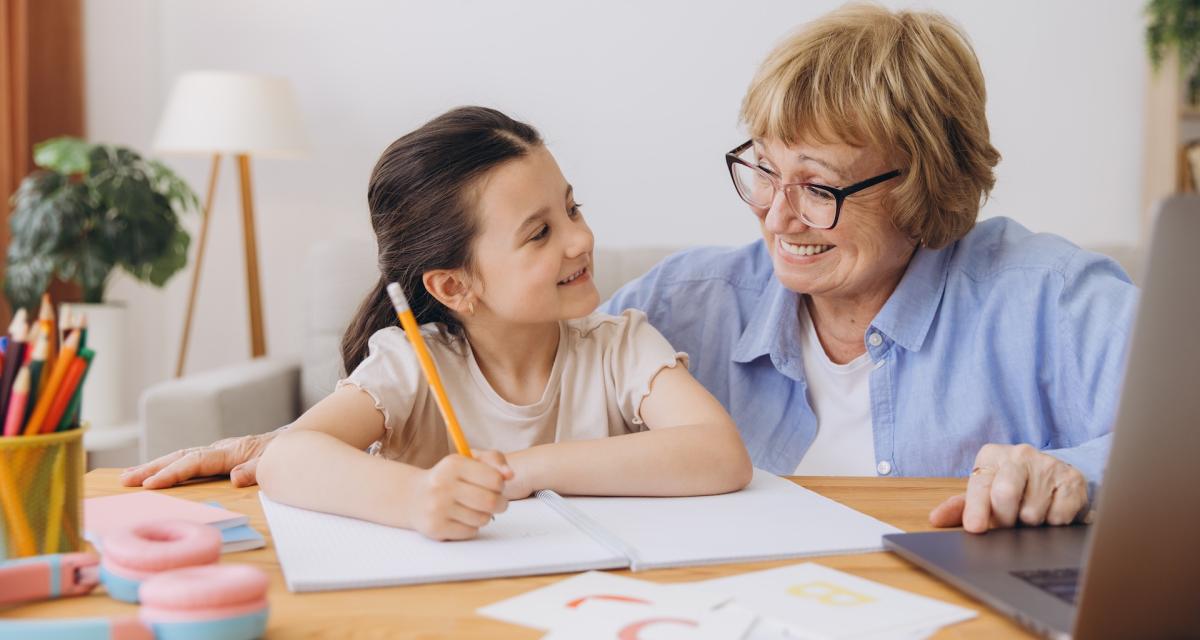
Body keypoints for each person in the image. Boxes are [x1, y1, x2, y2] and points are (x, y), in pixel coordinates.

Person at [122, 5, 1137, 534]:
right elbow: (514, 354)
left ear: (927, 178)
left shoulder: (1044, 298)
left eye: (817, 185)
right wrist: (299, 436)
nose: (775, 217)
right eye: (762, 170)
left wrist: (1075, 475)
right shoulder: (689, 303)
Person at [248, 106, 750, 540]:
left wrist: (523, 470)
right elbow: (286, 458)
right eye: (540, 233)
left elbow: (720, 453)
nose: (579, 240)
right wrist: (415, 498)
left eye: (572, 209)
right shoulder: (413, 363)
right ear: (454, 287)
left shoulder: (620, 346)